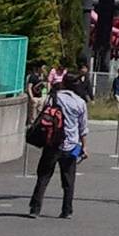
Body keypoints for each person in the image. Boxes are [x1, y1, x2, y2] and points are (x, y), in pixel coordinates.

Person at [29, 71, 89, 219]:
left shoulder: (54, 97)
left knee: (43, 176)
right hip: (71, 145)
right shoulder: (80, 103)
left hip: (53, 142)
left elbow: (44, 115)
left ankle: (35, 209)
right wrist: (84, 146)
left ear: (63, 83)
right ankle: (66, 210)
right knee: (68, 180)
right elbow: (83, 128)